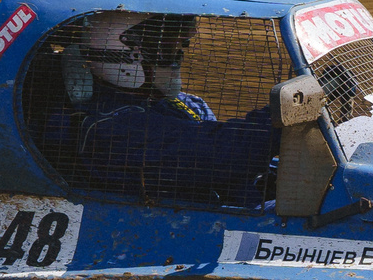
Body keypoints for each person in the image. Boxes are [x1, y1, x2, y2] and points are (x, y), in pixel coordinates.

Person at [46, 13, 275, 204]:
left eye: (181, 45)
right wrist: (283, 117)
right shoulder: (110, 127)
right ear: (129, 53)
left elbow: (234, 168)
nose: (179, 54)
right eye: (168, 47)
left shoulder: (185, 104)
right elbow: (224, 155)